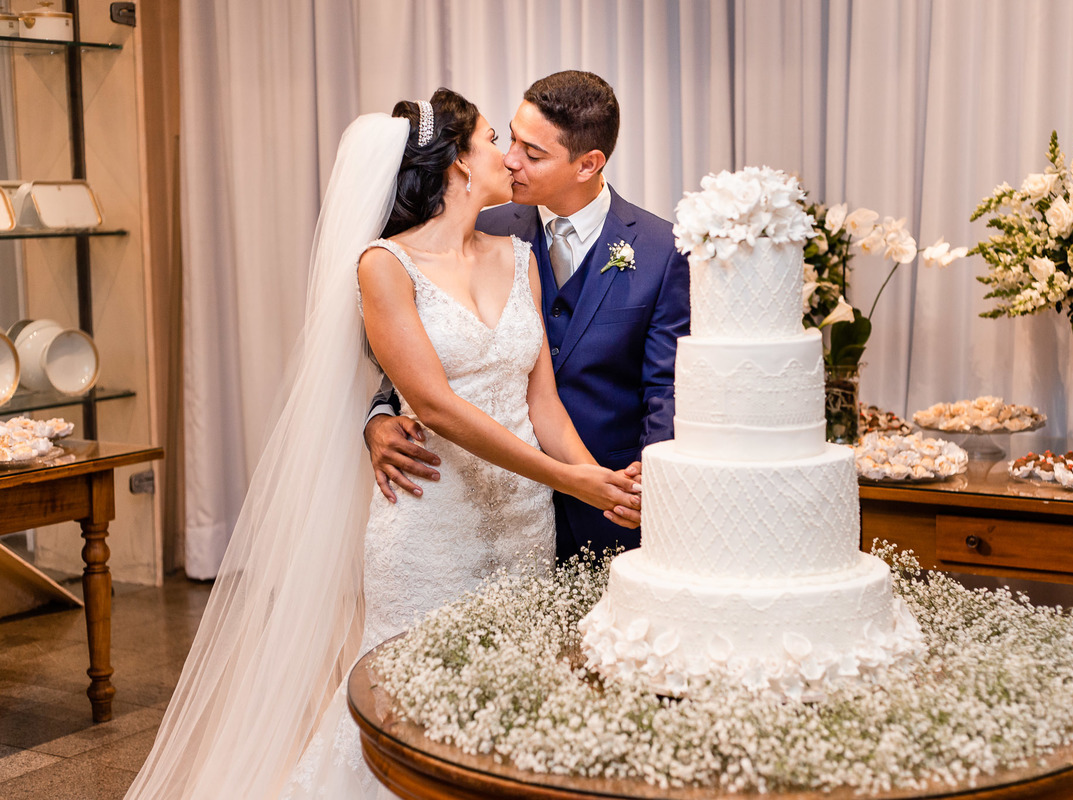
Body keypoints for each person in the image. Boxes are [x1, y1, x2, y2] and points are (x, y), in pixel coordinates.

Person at [125, 89, 641, 799]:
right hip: (431, 519)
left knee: (505, 710)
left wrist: (599, 481)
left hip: (523, 523)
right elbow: (433, 404)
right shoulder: (384, 266)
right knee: (409, 712)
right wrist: (568, 478)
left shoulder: (519, 253)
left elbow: (541, 402)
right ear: (459, 165)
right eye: (494, 139)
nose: (507, 157)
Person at [365, 71, 690, 560]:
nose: (512, 159)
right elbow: (414, 356)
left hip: (607, 502)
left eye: (533, 153)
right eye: (510, 138)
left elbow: (666, 387)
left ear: (588, 164)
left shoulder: (663, 249)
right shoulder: (482, 222)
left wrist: (640, 486)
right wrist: (379, 417)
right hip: (463, 500)